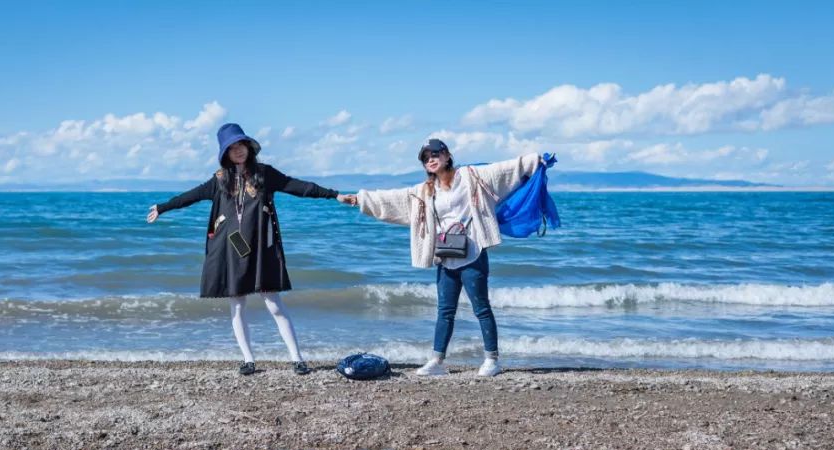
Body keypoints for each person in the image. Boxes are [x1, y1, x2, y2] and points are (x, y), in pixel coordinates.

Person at [148, 123, 349, 376]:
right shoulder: (219, 180)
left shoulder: (265, 173)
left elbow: (298, 186)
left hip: (262, 249)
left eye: (240, 145)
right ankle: (248, 359)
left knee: (274, 304)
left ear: (248, 146)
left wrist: (335, 195)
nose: (238, 151)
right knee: (237, 305)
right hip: (231, 248)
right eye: (231, 148)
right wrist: (163, 207)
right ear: (225, 153)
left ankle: (297, 359)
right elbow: (190, 196)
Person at [339, 139, 544, 377]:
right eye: (426, 158)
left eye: (435, 154)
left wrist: (533, 161)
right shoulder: (425, 191)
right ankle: (437, 361)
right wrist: (360, 199)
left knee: (481, 308)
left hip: (473, 252)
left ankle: (492, 360)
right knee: (445, 311)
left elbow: (504, 170)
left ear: (447, 155)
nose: (431, 160)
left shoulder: (471, 176)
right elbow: (393, 199)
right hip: (446, 256)